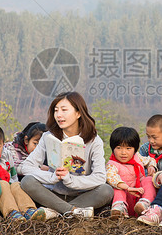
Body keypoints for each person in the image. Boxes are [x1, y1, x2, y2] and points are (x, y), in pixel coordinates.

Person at [18, 91, 113, 220]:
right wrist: (52, 177)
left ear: (78, 113)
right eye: (56, 110)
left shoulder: (94, 141)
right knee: (27, 181)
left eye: (64, 110)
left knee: (106, 191)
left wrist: (70, 180)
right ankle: (72, 211)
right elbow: (27, 166)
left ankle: (55, 212)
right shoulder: (48, 136)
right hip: (52, 194)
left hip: (83, 195)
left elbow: (100, 177)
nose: (59, 115)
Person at [0, 123, 41, 221]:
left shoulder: (6, 155)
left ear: (3, 145)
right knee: (2, 184)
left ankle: (29, 210)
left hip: (8, 188)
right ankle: (12, 213)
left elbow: (13, 175)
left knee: (17, 185)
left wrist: (12, 185)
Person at [106, 126, 157, 219]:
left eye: (128, 148)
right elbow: (112, 178)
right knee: (117, 188)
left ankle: (144, 203)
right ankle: (119, 208)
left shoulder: (137, 157)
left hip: (139, 194)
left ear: (135, 149)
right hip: (125, 196)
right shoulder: (112, 164)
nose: (123, 152)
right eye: (119, 148)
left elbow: (150, 160)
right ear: (113, 149)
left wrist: (151, 166)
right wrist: (127, 188)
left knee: (149, 179)